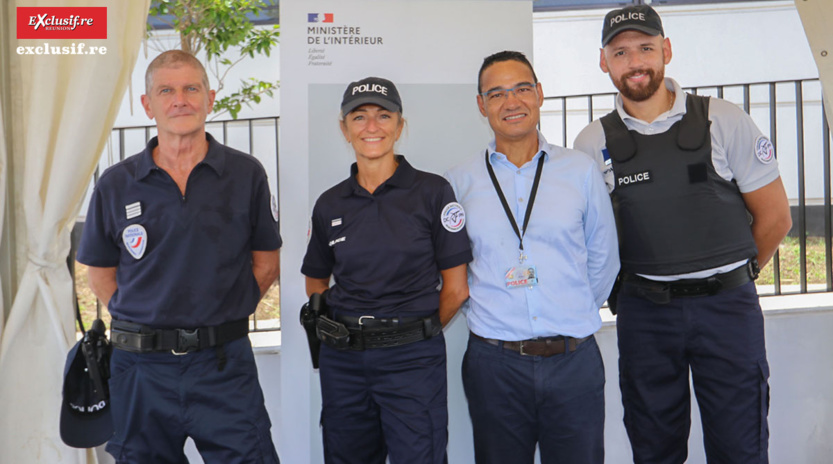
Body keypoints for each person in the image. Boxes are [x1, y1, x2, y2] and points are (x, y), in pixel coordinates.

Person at [574, 5, 793, 464]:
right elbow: (592, 235)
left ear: (666, 51)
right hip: (645, 316)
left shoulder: (723, 119)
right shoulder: (593, 143)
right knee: (654, 448)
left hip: (727, 313)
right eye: (621, 52)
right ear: (604, 61)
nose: (635, 62)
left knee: (741, 446)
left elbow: (775, 218)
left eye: (646, 48)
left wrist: (739, 275)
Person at [76, 50, 282, 463]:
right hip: (140, 371)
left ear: (210, 97)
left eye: (192, 88)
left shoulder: (246, 174)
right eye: (166, 90)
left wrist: (222, 314)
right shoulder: (117, 183)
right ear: (147, 104)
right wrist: (148, 317)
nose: (180, 100)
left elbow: (267, 263)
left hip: (224, 366)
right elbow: (99, 274)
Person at [445, 51, 619, 464]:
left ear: (539, 94)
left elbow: (603, 256)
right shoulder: (459, 182)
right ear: (481, 105)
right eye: (497, 93)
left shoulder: (580, 171)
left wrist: (569, 310)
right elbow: (454, 268)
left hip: (573, 363)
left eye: (522, 88)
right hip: (494, 366)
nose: (512, 102)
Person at [301, 77, 472, 464]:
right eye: (359, 117)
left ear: (400, 125)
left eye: (383, 115)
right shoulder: (329, 204)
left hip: (412, 360)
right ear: (344, 129)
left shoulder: (433, 193)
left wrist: (415, 331)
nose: (372, 126)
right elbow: (316, 280)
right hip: (343, 363)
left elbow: (457, 289)